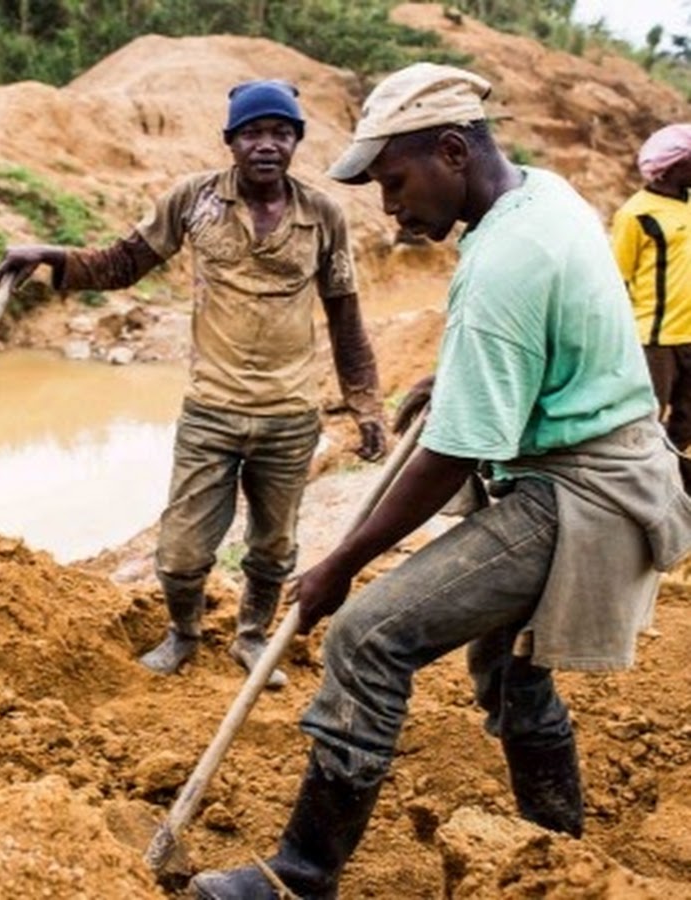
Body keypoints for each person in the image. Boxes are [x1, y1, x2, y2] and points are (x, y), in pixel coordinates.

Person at [190, 62, 691, 899]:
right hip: (601, 461)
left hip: (579, 492)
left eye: (395, 182)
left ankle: (301, 876)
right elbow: (532, 358)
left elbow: (455, 452)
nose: (390, 207)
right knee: (509, 663)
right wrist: (454, 376)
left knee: (368, 636)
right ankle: (555, 848)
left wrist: (340, 564)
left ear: (453, 150)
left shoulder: (506, 262)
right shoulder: (544, 194)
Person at [0, 79, 387, 687]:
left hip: (289, 416)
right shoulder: (194, 200)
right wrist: (51, 256)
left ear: (296, 141)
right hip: (212, 411)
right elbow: (124, 263)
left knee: (274, 546)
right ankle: (183, 632)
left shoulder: (323, 215)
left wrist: (367, 406)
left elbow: (346, 318)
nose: (267, 145)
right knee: (181, 553)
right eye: (252, 132)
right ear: (230, 140)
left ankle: (252, 637)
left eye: (281, 133)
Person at [611, 123, 691, 452]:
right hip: (654, 340)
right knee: (646, 421)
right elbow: (617, 280)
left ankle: (677, 487)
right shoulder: (635, 214)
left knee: (687, 422)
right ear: (674, 166)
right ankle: (644, 487)